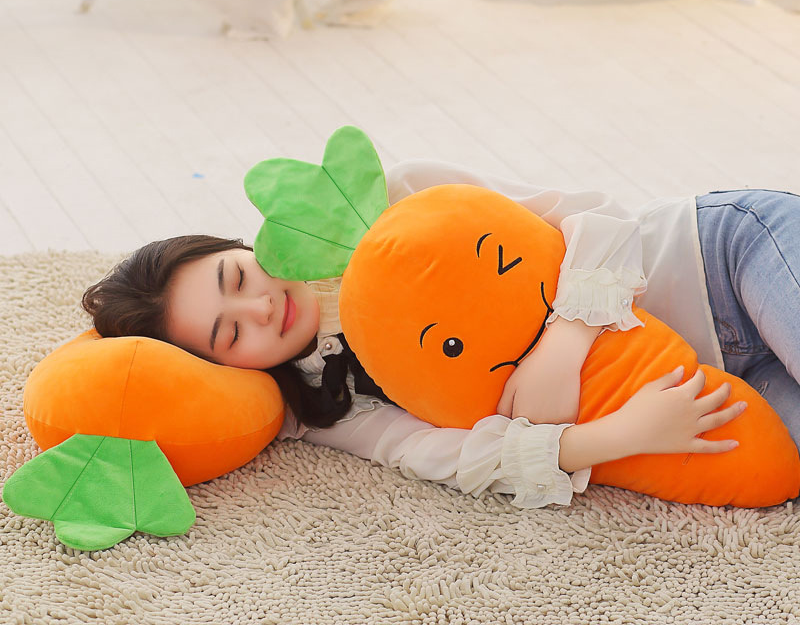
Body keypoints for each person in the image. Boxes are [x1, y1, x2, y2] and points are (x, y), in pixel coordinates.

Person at [83, 159, 786, 509]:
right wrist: (619, 436)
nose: (262, 307)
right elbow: (457, 458)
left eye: (238, 277)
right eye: (231, 334)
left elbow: (599, 217)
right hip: (714, 383)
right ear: (227, 368)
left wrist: (564, 342)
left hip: (723, 255)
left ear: (241, 245)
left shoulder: (394, 198)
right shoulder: (329, 403)